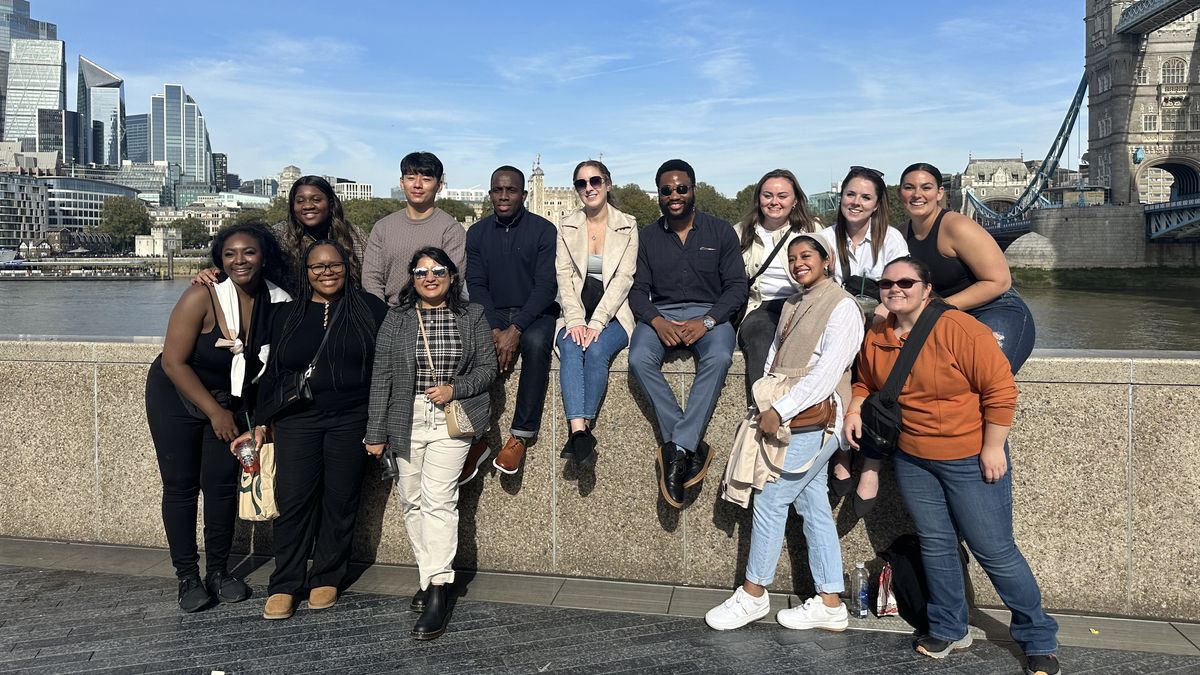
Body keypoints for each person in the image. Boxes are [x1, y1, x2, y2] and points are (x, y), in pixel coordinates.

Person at [845, 257, 1059, 675]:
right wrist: (856, 406)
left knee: (995, 551)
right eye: (887, 283)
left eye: (906, 281)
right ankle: (948, 627)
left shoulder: (960, 329)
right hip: (912, 458)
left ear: (927, 289)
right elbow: (866, 382)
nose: (895, 289)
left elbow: (1000, 389)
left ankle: (1039, 638)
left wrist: (993, 447)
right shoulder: (878, 333)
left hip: (968, 457)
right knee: (936, 545)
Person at [706, 235, 862, 632]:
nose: (797, 264)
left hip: (813, 417)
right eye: (792, 259)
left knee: (771, 498)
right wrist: (767, 398)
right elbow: (776, 354)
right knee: (813, 506)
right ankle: (830, 600)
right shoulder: (795, 301)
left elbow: (829, 372)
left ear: (826, 260)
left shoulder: (843, 306)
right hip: (790, 411)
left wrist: (781, 409)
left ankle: (754, 593)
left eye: (806, 256)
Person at [235, 240, 388, 621]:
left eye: (334, 265)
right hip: (297, 420)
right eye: (317, 267)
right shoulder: (284, 313)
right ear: (306, 273)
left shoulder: (370, 308)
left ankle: (327, 575)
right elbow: (268, 373)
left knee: (340, 500)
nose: (327, 272)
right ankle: (285, 582)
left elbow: (385, 369)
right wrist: (261, 423)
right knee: (294, 500)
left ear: (346, 267)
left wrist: (380, 424)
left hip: (352, 417)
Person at [146, 223, 291, 612]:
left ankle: (219, 571)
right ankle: (187, 576)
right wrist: (214, 413)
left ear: (264, 257)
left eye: (249, 252)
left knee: (222, 485)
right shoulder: (202, 296)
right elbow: (173, 362)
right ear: (219, 260)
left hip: (230, 400)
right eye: (230, 254)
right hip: (178, 395)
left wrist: (255, 417)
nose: (239, 260)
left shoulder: (277, 301)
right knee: (180, 486)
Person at [365, 247, 497, 641]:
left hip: (451, 420)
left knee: (439, 499)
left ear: (452, 276)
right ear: (412, 278)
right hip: (406, 418)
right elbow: (382, 374)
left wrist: (457, 388)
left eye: (438, 270)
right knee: (411, 500)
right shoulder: (398, 318)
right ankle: (429, 574)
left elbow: (488, 369)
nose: (430, 277)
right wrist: (376, 432)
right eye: (421, 272)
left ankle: (438, 589)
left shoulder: (471, 315)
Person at [628, 159, 748, 508]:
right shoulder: (648, 237)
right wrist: (656, 320)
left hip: (710, 315)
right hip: (662, 313)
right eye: (666, 190)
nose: (674, 195)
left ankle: (676, 448)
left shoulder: (720, 231)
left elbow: (736, 288)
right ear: (659, 196)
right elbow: (637, 290)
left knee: (721, 356)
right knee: (637, 359)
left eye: (681, 188)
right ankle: (689, 445)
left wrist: (708, 321)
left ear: (694, 189)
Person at [813, 166, 909, 513]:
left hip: (882, 317)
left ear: (876, 204)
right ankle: (840, 451)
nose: (856, 202)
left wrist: (885, 310)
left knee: (883, 373)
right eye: (850, 195)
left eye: (865, 197)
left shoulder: (892, 239)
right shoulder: (824, 238)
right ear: (841, 198)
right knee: (835, 369)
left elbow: (899, 288)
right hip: (839, 321)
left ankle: (870, 464)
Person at [463, 165, 558, 479]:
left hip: (535, 309)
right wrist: (492, 328)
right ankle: (476, 439)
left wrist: (516, 330)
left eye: (511, 190)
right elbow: (476, 284)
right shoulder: (476, 233)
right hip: (494, 310)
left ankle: (520, 435)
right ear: (490, 194)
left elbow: (546, 286)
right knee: (474, 348)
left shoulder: (544, 230)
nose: (504, 196)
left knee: (536, 343)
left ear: (524, 194)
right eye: (498, 190)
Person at [899, 162, 1035, 373]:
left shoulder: (957, 226)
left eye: (926, 188)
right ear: (901, 193)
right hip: (945, 317)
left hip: (993, 308)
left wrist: (935, 309)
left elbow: (1000, 281)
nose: (917, 194)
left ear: (939, 193)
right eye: (909, 187)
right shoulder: (899, 236)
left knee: (984, 373)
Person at [554, 160, 638, 467]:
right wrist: (576, 320)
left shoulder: (628, 224)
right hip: (577, 309)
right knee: (570, 345)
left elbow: (623, 279)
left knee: (599, 348)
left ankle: (579, 431)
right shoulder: (565, 225)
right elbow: (563, 275)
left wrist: (598, 322)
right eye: (581, 183)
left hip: (615, 313)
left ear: (608, 184)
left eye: (595, 181)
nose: (589, 188)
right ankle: (580, 432)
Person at [192, 176, 368, 295]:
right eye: (300, 201)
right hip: (291, 316)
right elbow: (247, 264)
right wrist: (216, 272)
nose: (308, 206)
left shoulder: (354, 236)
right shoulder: (277, 235)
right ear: (292, 206)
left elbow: (372, 278)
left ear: (330, 204)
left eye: (316, 200)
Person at [734, 169, 819, 407]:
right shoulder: (741, 232)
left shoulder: (813, 229)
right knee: (760, 338)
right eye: (767, 195)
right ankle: (761, 409)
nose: (774, 202)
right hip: (760, 305)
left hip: (803, 302)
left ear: (795, 201)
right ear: (758, 199)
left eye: (782, 196)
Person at [362, 151, 467, 306]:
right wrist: (382, 314)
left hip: (433, 314)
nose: (417, 185)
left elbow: (452, 279)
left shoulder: (451, 229)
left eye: (426, 179)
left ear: (439, 186)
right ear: (401, 182)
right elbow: (371, 277)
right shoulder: (382, 227)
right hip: (388, 314)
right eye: (410, 178)